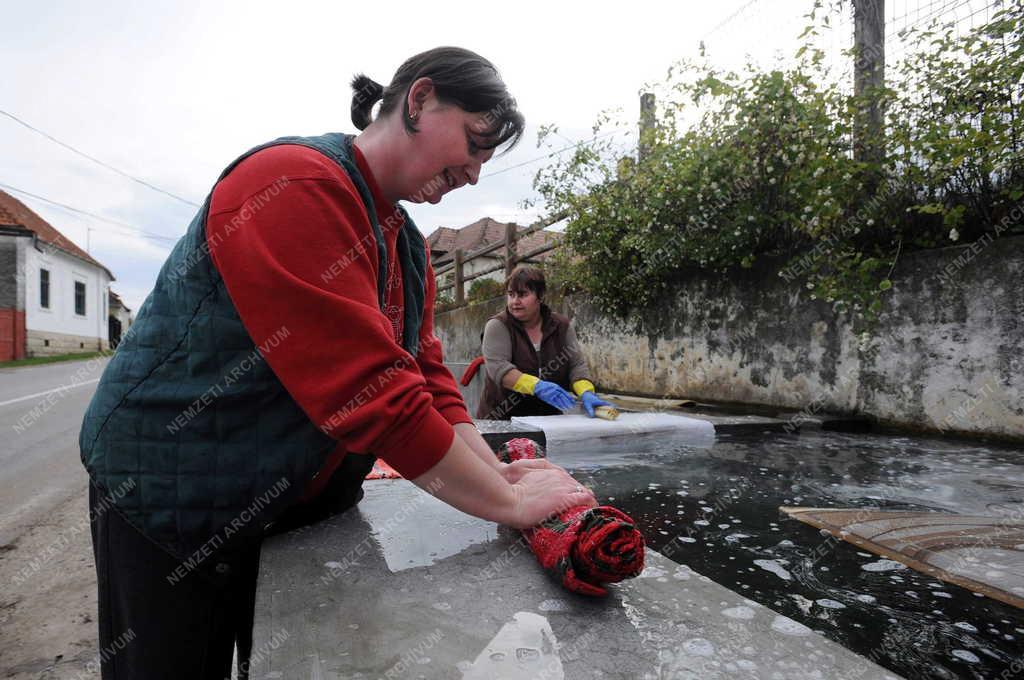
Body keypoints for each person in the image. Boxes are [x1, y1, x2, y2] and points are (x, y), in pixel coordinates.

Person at [79, 46, 596, 680]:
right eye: (472, 142)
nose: (473, 174)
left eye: (486, 160)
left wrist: (500, 474)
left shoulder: (403, 242)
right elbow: (373, 393)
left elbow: (427, 378)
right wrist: (509, 506)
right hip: (173, 482)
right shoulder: (292, 186)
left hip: (280, 492)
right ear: (421, 98)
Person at [476, 265, 614, 420]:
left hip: (548, 421)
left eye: (522, 294)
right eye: (511, 294)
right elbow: (499, 369)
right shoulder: (498, 326)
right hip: (502, 419)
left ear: (540, 296)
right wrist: (537, 386)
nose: (515, 301)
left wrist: (586, 391)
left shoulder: (561, 326)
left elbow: (576, 365)